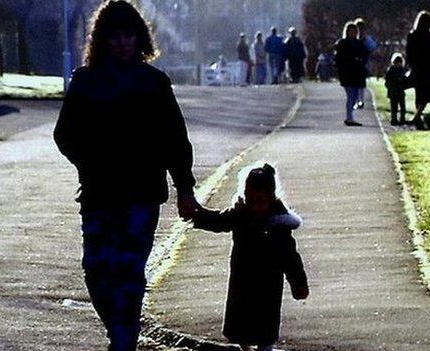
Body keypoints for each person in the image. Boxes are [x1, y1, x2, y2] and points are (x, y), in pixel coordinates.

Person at [53, 1, 199, 349]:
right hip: (99, 193)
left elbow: (175, 139)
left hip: (142, 194)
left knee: (130, 271)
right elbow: (65, 134)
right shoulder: (86, 82)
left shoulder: (154, 83)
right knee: (97, 271)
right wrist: (88, 162)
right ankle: (120, 330)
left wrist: (185, 188)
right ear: (102, 40)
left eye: (129, 35)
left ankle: (124, 340)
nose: (123, 42)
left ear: (139, 38)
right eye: (115, 36)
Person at [193, 163, 309, 351]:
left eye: (261, 201)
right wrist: (197, 215)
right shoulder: (239, 214)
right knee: (241, 316)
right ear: (245, 195)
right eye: (251, 200)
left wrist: (299, 284)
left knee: (267, 318)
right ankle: (245, 345)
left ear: (271, 198)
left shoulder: (279, 225)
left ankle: (265, 346)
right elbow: (219, 221)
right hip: (243, 276)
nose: (256, 206)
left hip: (269, 281)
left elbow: (291, 258)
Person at [405, 10, 430, 130]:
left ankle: (417, 114)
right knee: (425, 93)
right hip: (426, 68)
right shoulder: (429, 36)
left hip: (417, 67)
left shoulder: (412, 35)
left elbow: (409, 52)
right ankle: (418, 114)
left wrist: (410, 65)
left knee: (419, 92)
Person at [334, 21, 369, 127]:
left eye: (355, 31)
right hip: (346, 73)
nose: (353, 33)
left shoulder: (360, 44)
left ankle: (350, 116)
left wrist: (360, 61)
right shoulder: (342, 43)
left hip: (357, 73)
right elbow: (339, 59)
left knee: (354, 96)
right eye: (351, 31)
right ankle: (349, 117)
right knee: (350, 95)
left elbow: (365, 55)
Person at [354, 18, 378, 109]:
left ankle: (361, 100)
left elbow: (373, 47)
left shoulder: (366, 39)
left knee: (361, 83)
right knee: (355, 83)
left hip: (364, 64)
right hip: (354, 64)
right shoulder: (353, 39)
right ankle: (357, 100)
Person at [385, 53, 408, 126]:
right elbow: (387, 82)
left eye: (399, 62)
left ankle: (402, 119)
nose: (398, 64)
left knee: (402, 107)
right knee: (394, 107)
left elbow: (404, 80)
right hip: (393, 92)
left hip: (400, 91)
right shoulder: (390, 71)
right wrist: (391, 87)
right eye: (397, 62)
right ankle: (394, 119)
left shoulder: (402, 70)